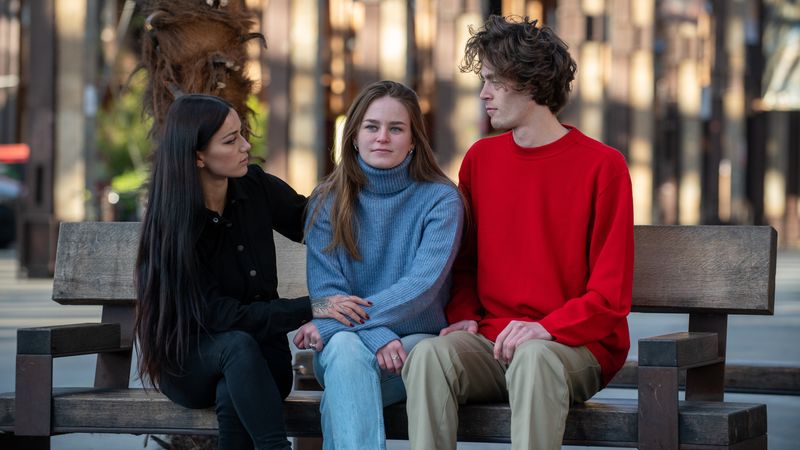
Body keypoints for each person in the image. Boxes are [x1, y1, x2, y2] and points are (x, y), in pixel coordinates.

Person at [402, 16, 634, 450]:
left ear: (530, 83)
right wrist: (464, 315)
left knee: (533, 357)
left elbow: (611, 296)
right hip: (494, 341)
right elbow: (465, 262)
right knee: (429, 356)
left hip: (576, 347)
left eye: (494, 82)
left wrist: (544, 329)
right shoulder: (480, 160)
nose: (484, 95)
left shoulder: (603, 167)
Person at [133, 94, 370, 450]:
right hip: (187, 365)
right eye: (230, 140)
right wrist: (315, 306)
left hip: (264, 361)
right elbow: (220, 317)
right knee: (236, 346)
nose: (246, 146)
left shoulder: (254, 186)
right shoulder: (174, 227)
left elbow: (317, 224)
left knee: (235, 388)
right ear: (197, 155)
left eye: (241, 133)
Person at [292, 80, 464, 450]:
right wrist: (376, 334)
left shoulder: (440, 199)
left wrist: (345, 324)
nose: (382, 137)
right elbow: (328, 293)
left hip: (416, 346)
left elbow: (421, 286)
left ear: (414, 139)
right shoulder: (328, 199)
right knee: (345, 352)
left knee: (345, 380)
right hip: (346, 343)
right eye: (371, 126)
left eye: (396, 128)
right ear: (354, 136)